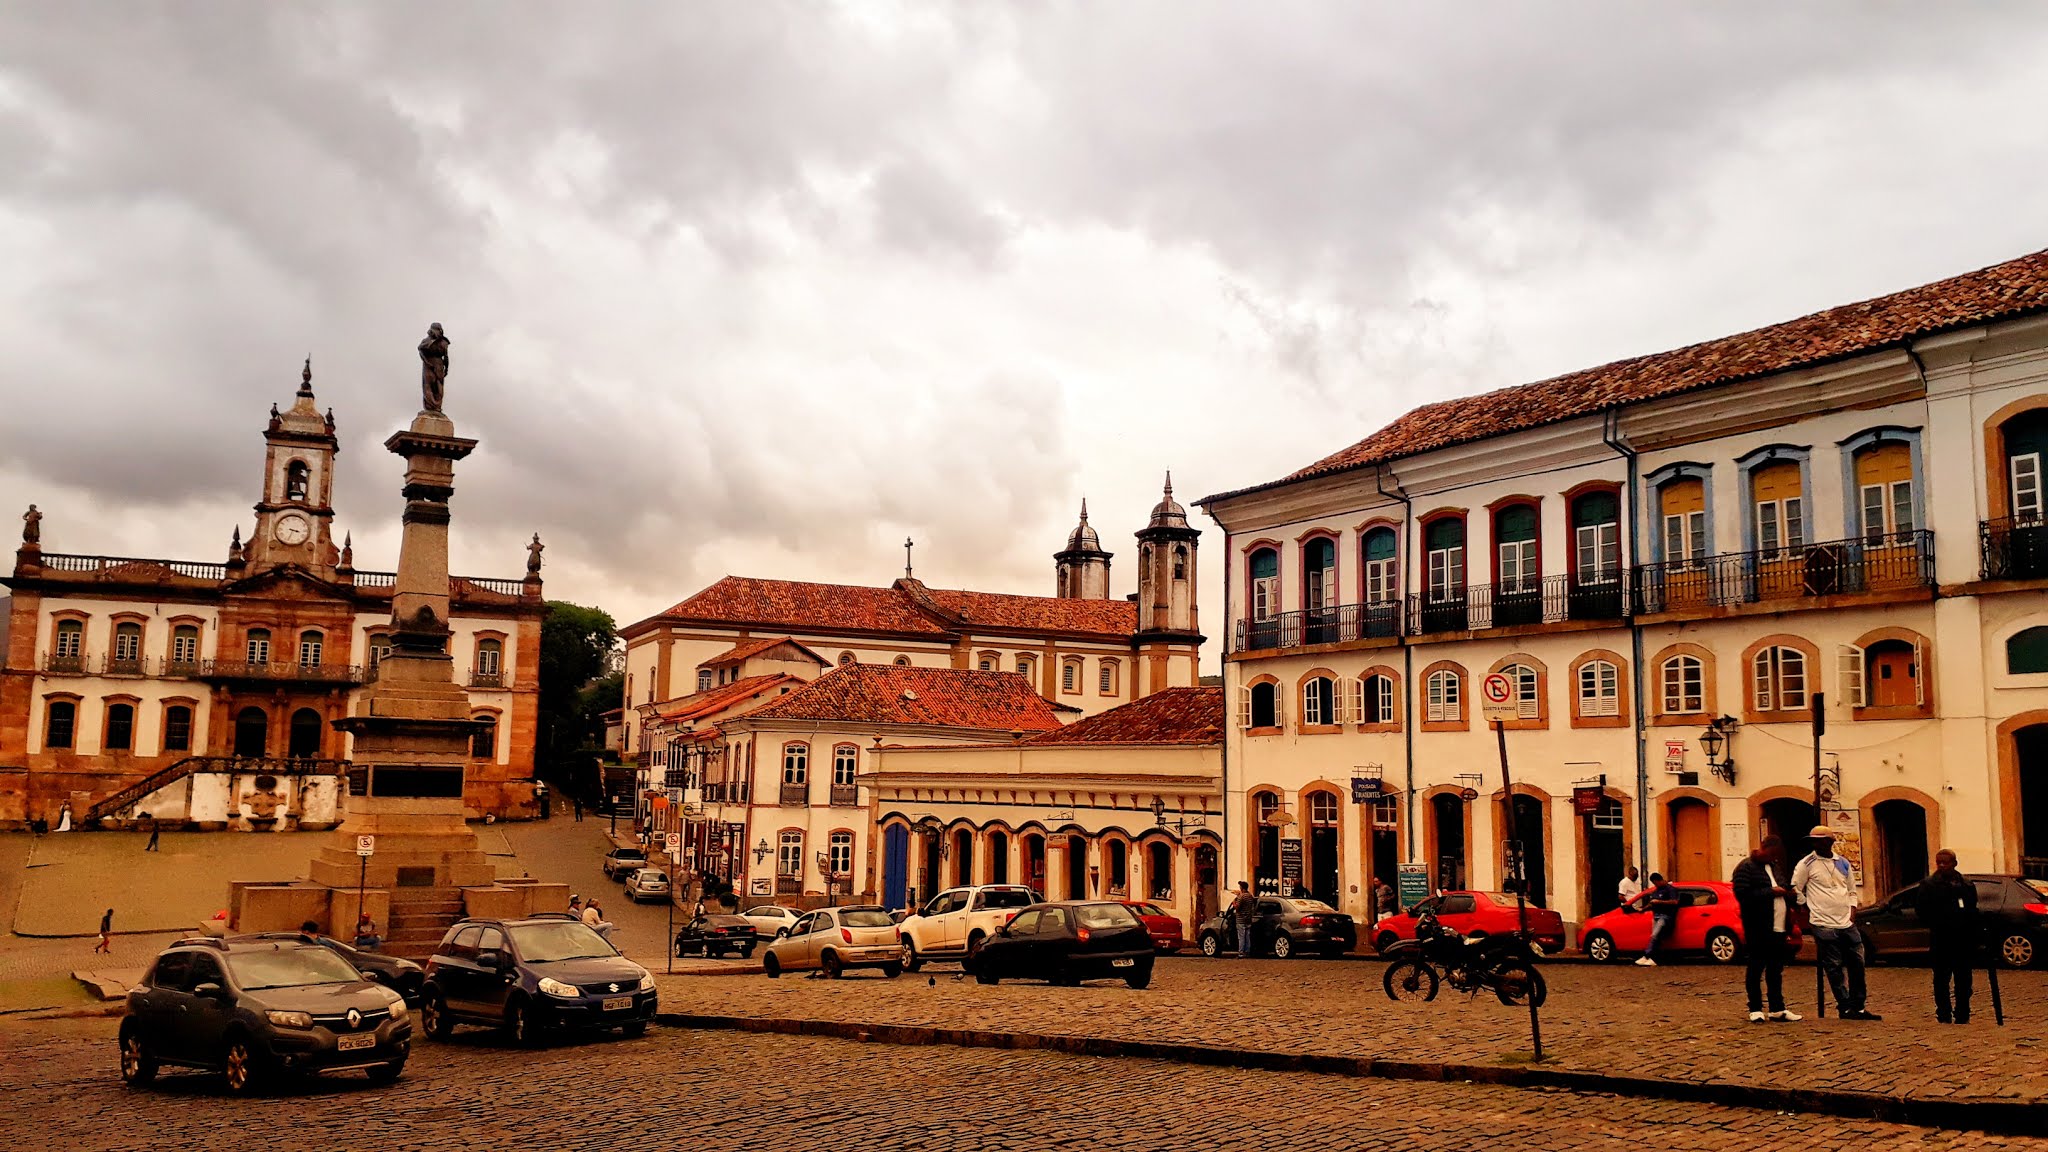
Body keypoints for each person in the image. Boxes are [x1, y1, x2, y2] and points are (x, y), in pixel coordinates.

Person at [1792, 824, 1879, 1020]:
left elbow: (1851, 889)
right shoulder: (1806, 864)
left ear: (1830, 841)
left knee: (1858, 963)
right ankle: (1844, 1005)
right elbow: (1796, 888)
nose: (1817, 843)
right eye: (1814, 840)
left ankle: (1859, 1005)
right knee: (1834, 966)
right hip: (1823, 922)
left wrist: (1852, 910)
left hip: (1846, 922)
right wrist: (1809, 907)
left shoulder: (1843, 863)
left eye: (1821, 840)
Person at [1731, 836, 1801, 1023]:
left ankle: (1777, 1008)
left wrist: (1789, 893)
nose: (1774, 858)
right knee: (1755, 967)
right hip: (1758, 927)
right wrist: (1771, 892)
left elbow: (1783, 886)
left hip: (1779, 926)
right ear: (1764, 849)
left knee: (1775, 969)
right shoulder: (1745, 867)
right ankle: (1755, 1008)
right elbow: (1742, 894)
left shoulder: (1775, 867)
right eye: (1771, 854)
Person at [1913, 849, 1978, 1024]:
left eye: (1945, 862)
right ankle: (1943, 1012)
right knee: (1941, 979)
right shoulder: (1929, 885)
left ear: (1954, 863)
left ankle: (1963, 1012)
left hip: (1962, 939)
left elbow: (1973, 910)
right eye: (1939, 862)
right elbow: (1921, 910)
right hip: (1941, 938)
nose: (1942, 866)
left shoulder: (1965, 884)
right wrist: (1938, 921)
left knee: (1963, 980)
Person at [1635, 873, 1679, 966]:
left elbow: (1674, 902)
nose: (1655, 885)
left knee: (1655, 935)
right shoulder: (1656, 891)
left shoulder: (1670, 889)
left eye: (1655, 883)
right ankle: (1652, 958)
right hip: (1656, 916)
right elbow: (1652, 903)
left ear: (1659, 880)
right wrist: (1643, 909)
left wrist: (1659, 902)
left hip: (1665, 916)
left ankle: (1647, 955)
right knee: (1656, 937)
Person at [1229, 881, 1259, 957]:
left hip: (1241, 919)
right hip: (1248, 919)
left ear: (1242, 888)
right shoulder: (1250, 896)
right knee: (1247, 936)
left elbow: (1237, 907)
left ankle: (1241, 952)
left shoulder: (1241, 897)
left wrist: (1234, 902)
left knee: (1241, 937)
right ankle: (1247, 951)